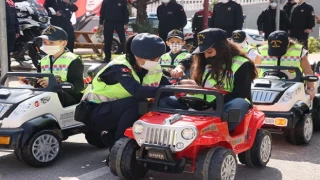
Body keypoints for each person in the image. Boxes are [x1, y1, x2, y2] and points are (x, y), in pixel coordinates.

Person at [83, 33, 172, 151]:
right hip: (95, 112)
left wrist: (181, 87)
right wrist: (170, 90)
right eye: (152, 59)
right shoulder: (119, 67)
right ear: (137, 56)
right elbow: (137, 90)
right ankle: (118, 146)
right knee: (136, 102)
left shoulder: (151, 67)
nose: (156, 61)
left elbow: (167, 87)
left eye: (158, 58)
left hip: (117, 110)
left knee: (163, 102)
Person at [159, 28, 257, 132]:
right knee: (164, 101)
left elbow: (241, 93)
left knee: (238, 104)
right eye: (203, 52)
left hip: (223, 104)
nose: (206, 56)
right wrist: (180, 67)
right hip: (197, 103)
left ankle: (221, 132)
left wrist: (212, 106)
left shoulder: (242, 64)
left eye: (209, 52)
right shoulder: (203, 58)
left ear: (221, 48)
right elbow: (189, 59)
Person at [257, 31, 315, 99]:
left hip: (292, 89)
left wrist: (310, 89)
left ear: (288, 43)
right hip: (265, 87)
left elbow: (308, 72)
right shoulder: (261, 51)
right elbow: (254, 71)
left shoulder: (299, 52)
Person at [37, 25, 84, 107]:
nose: (47, 45)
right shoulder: (43, 61)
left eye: (51, 42)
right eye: (45, 42)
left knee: (54, 95)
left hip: (69, 98)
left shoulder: (73, 60)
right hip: (48, 96)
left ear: (64, 43)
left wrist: (55, 85)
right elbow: (39, 80)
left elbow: (78, 86)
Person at [6, 0, 20, 72]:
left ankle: (7, 68)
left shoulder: (10, 2)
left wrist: (17, 30)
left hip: (11, 29)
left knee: (7, 50)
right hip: (3, 29)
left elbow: (15, 16)